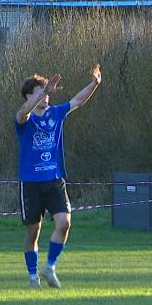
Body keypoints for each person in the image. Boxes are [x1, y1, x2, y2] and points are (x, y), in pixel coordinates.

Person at [16, 64, 101, 288]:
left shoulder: (56, 113)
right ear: (28, 96)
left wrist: (94, 84)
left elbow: (78, 101)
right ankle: (33, 277)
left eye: (47, 92)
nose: (46, 97)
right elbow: (23, 112)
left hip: (54, 180)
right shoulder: (24, 119)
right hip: (31, 184)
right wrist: (44, 91)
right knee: (33, 231)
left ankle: (50, 267)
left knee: (64, 223)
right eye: (39, 92)